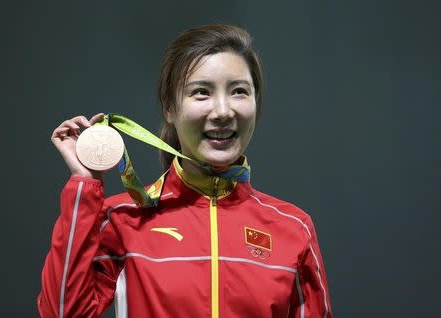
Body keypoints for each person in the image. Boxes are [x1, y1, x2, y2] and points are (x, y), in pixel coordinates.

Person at [38, 24, 333, 318]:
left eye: (239, 91)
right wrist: (84, 185)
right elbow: (62, 313)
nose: (222, 111)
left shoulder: (294, 229)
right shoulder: (123, 220)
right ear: (169, 106)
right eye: (201, 92)